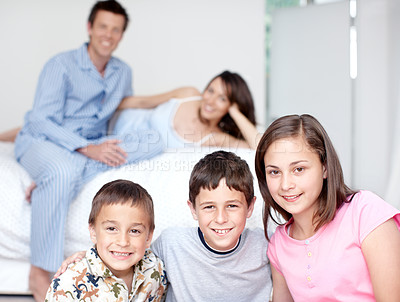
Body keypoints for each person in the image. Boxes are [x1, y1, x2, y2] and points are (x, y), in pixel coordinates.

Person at [14, 1, 164, 301]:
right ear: (90, 28)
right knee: (60, 169)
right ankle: (40, 270)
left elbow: (119, 115)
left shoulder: (122, 72)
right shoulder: (61, 65)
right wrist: (86, 149)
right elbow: (41, 121)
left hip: (91, 146)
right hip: (45, 140)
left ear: (121, 35)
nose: (108, 35)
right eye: (103, 27)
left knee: (154, 140)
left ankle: (56, 179)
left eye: (116, 30)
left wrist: (100, 147)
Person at [56, 151, 273, 301]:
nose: (221, 218)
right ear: (192, 209)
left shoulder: (268, 245)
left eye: (232, 206)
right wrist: (86, 258)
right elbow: (127, 252)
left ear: (250, 207)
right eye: (209, 207)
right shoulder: (171, 244)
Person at [254, 114, 400, 301]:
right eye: (274, 172)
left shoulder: (366, 212)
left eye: (298, 169)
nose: (285, 184)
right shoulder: (279, 244)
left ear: (324, 167)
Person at [45, 179, 167, 301]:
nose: (123, 242)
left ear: (148, 237)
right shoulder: (68, 284)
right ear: (93, 231)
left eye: (134, 231)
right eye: (112, 229)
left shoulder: (156, 270)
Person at [112, 70, 260, 150]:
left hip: (117, 146)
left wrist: (235, 112)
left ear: (231, 105)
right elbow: (143, 102)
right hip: (112, 120)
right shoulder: (189, 94)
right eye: (210, 91)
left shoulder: (216, 138)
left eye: (222, 99)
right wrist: (101, 109)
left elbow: (258, 146)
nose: (211, 101)